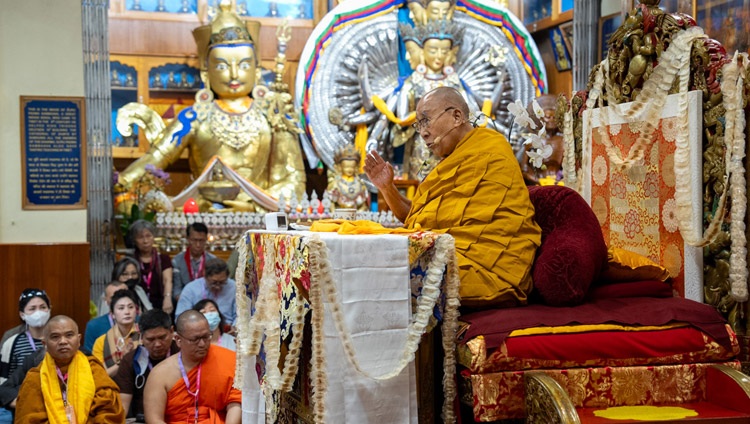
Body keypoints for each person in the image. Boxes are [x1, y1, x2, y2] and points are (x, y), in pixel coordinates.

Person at [116, 2, 305, 212]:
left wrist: (252, 206)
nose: (234, 74)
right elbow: (155, 159)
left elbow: (294, 181)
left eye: (243, 65)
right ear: (207, 73)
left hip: (259, 217)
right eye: (222, 66)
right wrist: (123, 180)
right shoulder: (193, 117)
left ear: (257, 70)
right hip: (204, 215)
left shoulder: (274, 115)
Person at [364, 87, 541, 308]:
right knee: (367, 258)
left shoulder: (491, 150)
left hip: (487, 268)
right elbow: (417, 218)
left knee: (379, 273)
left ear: (457, 116)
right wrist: (386, 188)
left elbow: (481, 230)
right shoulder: (449, 162)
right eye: (419, 125)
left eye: (426, 120)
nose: (423, 132)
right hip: (448, 254)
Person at [15, 315, 125, 422]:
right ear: (45, 344)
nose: (63, 341)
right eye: (55, 337)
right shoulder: (35, 377)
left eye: (69, 335)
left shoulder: (94, 370)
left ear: (78, 340)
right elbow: (28, 417)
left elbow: (108, 411)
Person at [143, 310, 241, 423]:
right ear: (178, 340)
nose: (202, 344)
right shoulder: (159, 374)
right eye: (195, 339)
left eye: (206, 337)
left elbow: (235, 404)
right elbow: (154, 420)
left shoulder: (228, 359)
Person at [113, 309, 178, 421]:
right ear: (141, 337)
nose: (157, 344)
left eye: (162, 337)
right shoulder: (130, 361)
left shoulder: (182, 355)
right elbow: (123, 406)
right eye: (150, 339)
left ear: (172, 331)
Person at [0, 289, 51, 422]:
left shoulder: (59, 340)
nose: (38, 312)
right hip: (21, 401)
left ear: (50, 310)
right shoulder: (12, 342)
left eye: (43, 307)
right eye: (32, 309)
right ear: (22, 314)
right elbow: (5, 382)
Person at [175, 258, 237, 327]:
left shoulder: (234, 287)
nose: (218, 286)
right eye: (214, 282)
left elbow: (241, 315)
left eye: (222, 282)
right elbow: (181, 318)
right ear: (205, 276)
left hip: (228, 330)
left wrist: (234, 327)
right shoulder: (191, 289)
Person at [92, 290, 140, 377]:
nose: (127, 312)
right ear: (112, 314)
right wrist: (123, 360)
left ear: (136, 310)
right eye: (121, 308)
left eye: (130, 307)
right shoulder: (101, 342)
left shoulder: (144, 336)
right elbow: (99, 376)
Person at [130, 219, 174, 313]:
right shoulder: (131, 260)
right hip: (136, 304)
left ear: (153, 237)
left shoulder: (163, 259)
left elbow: (167, 280)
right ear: (134, 240)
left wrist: (167, 298)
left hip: (159, 304)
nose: (145, 241)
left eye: (148, 236)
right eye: (140, 237)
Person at [172, 222, 217, 301]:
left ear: (206, 239)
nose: (198, 245)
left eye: (201, 241)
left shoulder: (213, 261)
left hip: (207, 302)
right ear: (188, 239)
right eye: (194, 240)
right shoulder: (177, 261)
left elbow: (215, 288)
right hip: (184, 301)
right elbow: (177, 290)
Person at [83, 280, 128, 355]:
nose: (119, 301)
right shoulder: (94, 326)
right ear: (106, 300)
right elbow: (90, 357)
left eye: (123, 296)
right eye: (114, 297)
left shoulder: (139, 322)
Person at [327, 145, 370, 212]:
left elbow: (363, 204)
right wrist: (334, 213)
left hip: (357, 214)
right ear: (340, 167)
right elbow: (331, 203)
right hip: (340, 214)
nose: (349, 169)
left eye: (352, 167)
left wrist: (360, 212)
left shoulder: (360, 184)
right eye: (346, 167)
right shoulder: (335, 184)